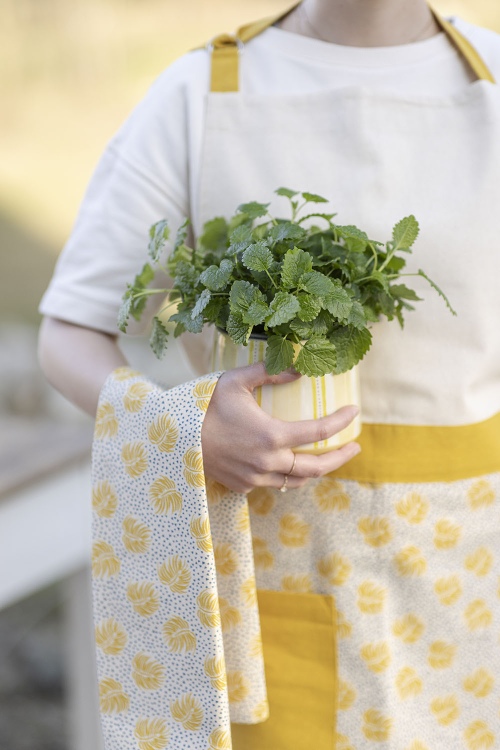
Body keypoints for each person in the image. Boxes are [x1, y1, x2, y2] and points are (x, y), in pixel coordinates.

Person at [38, 1, 500, 748]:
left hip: (477, 581)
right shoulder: (202, 95)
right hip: (273, 577)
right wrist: (183, 426)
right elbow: (71, 331)